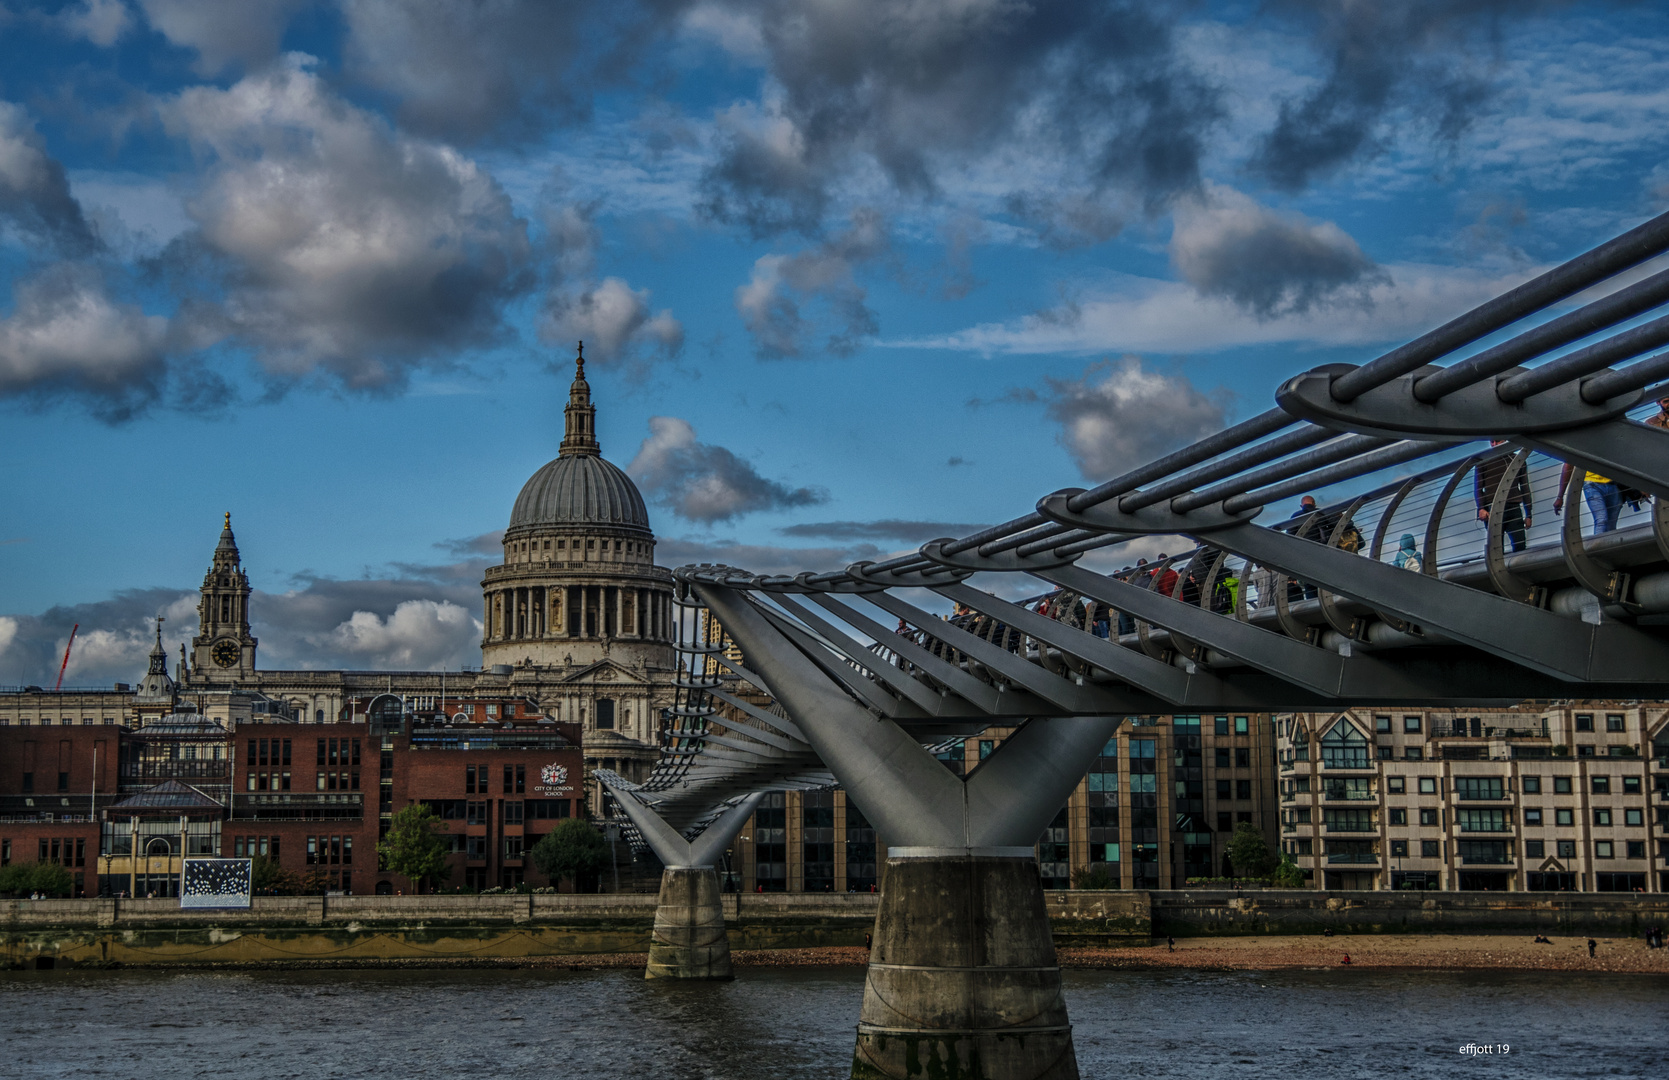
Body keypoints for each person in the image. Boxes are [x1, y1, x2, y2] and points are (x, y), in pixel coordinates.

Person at [1475, 442, 1532, 552]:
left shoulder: (1517, 460)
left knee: (1520, 546)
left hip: (1513, 507)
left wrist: (1529, 514)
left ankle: (1519, 568)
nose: (1495, 444)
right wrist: (1481, 508)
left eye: (1498, 441)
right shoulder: (1483, 461)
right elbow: (1478, 488)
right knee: (1496, 550)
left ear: (1504, 441)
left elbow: (1525, 487)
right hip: (1492, 509)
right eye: (1492, 442)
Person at [1555, 464, 1623, 535]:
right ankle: (1599, 544)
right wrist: (1560, 497)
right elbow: (1568, 464)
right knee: (1601, 520)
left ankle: (1608, 544)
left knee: (1611, 526)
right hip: (1592, 484)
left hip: (1613, 484)